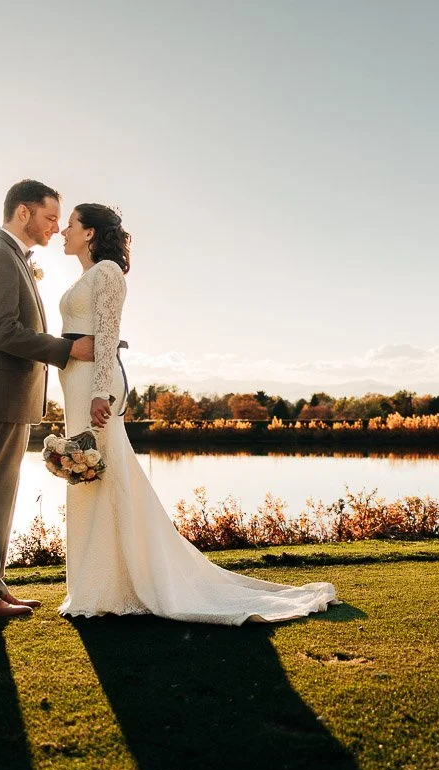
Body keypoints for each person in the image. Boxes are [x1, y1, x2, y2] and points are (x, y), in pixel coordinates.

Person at [56, 203, 337, 623]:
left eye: (72, 224)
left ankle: (111, 586)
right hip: (75, 385)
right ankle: (96, 583)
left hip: (94, 387)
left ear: (91, 233)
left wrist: (100, 392)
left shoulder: (108, 273)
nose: (63, 230)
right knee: (89, 477)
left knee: (103, 472)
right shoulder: (85, 276)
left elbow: (109, 333)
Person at [0, 180, 95, 618]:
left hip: (4, 399)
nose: (56, 227)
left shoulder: (13, 257)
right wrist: (67, 349)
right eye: (51, 217)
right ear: (24, 213)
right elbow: (2, 332)